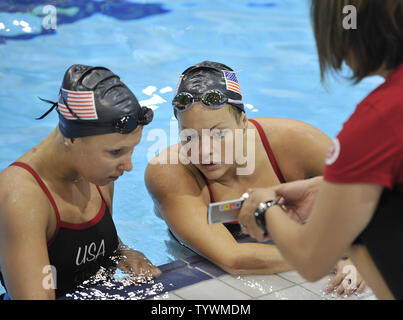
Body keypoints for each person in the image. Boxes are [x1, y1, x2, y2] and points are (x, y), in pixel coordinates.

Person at [145, 60, 366, 295]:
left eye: (219, 134)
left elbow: (372, 192)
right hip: (199, 265)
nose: (205, 151)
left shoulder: (297, 142)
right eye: (189, 136)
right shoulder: (168, 172)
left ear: (243, 121)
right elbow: (232, 259)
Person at [238, 0, 403, 300]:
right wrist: (328, 188)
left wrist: (264, 207)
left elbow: (312, 259)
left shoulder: (374, 122)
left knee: (359, 228)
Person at [0, 64, 161, 300]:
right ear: (73, 138)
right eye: (116, 152)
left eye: (131, 151)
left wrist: (122, 252)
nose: (128, 166)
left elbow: (83, 245)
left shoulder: (99, 174)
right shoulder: (21, 198)